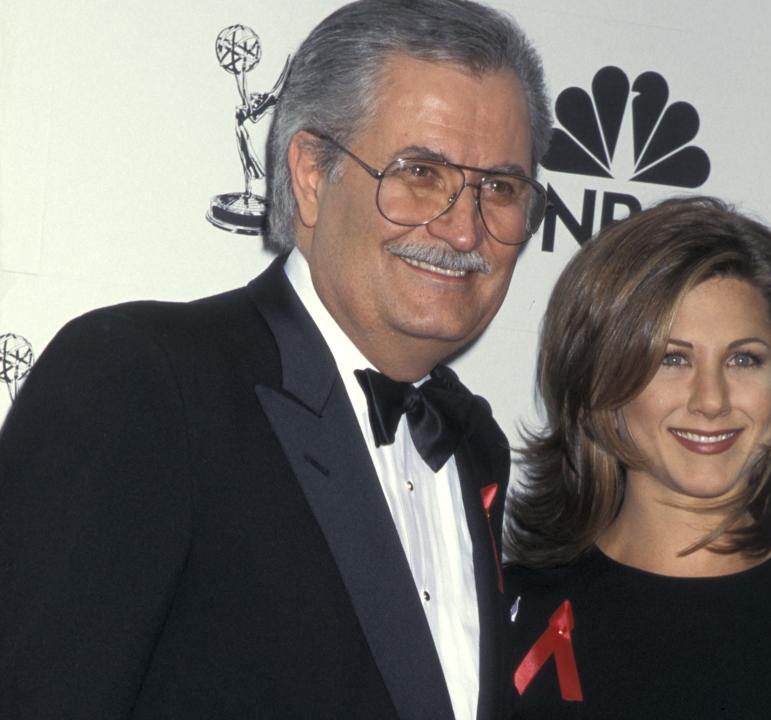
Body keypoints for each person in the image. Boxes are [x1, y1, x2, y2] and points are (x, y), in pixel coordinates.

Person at [0, 1, 551, 718]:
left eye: (501, 188)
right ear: (312, 177)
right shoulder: (142, 382)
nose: (463, 225)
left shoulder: (473, 444)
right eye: (420, 171)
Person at [504, 197, 771, 719]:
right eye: (672, 359)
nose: (711, 400)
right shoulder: (504, 611)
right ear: (597, 378)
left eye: (744, 359)